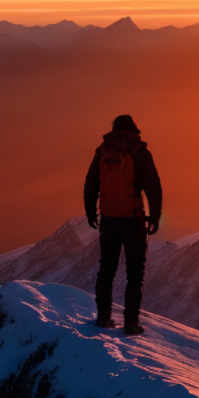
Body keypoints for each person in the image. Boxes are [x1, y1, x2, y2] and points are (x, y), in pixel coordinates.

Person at [83, 113, 163, 334]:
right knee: (134, 274)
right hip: (133, 220)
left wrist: (91, 212)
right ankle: (130, 323)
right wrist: (155, 217)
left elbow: (91, 184)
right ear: (134, 130)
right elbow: (153, 187)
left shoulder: (102, 152)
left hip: (108, 220)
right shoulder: (139, 152)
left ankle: (103, 318)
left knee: (106, 271)